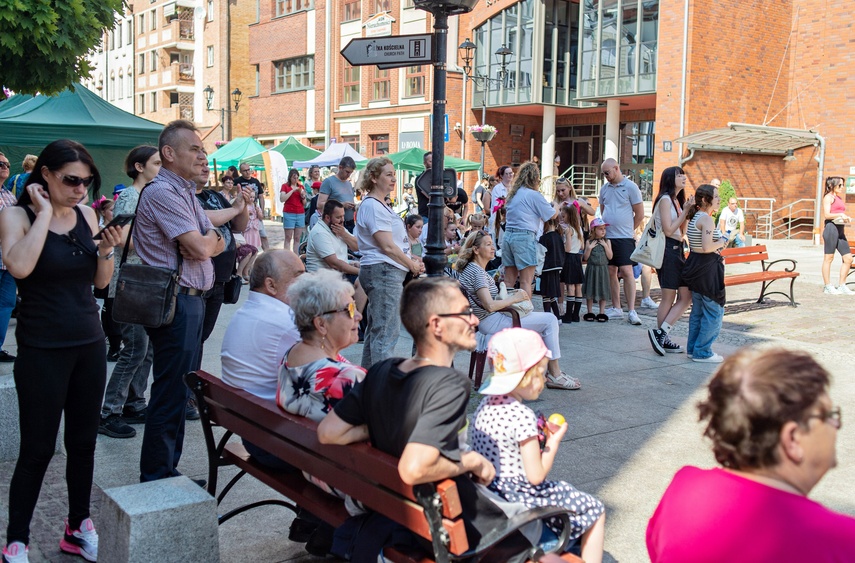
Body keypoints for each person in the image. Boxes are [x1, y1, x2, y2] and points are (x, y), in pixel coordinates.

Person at [319, 278, 540, 560]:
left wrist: (390, 426)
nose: (474, 319)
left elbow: (329, 432)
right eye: (464, 312)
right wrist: (471, 461)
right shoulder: (448, 383)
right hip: (440, 526)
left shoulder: (381, 370)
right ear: (437, 325)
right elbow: (414, 467)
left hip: (393, 511)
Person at [0, 140, 123, 562]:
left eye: (87, 182)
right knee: (37, 449)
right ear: (45, 175)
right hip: (42, 348)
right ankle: (17, 540)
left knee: (84, 443)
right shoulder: (16, 216)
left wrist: (106, 249)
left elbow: (101, 284)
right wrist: (45, 215)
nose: (80, 190)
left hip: (88, 343)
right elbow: (19, 267)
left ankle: (78, 525)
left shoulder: (87, 214)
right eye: (71, 180)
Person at [647, 347, 855, 562]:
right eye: (830, 415)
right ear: (792, 438)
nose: (836, 425)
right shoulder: (840, 540)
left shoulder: (684, 487)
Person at [133, 120, 225, 483]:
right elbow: (204, 247)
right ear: (169, 154)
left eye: (203, 150)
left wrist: (213, 236)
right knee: (172, 389)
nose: (202, 155)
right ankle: (157, 474)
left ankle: (167, 467)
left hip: (192, 300)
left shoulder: (184, 191)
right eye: (195, 149)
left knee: (181, 387)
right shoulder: (163, 193)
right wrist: (216, 237)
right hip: (177, 302)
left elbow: (212, 238)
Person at [472, 328, 606, 563]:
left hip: (490, 497)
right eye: (542, 373)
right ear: (525, 376)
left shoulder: (483, 407)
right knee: (594, 509)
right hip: (520, 501)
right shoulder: (522, 416)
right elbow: (535, 476)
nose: (545, 380)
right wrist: (552, 443)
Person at [456, 230, 580, 390]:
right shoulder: (477, 272)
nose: (493, 248)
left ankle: (550, 373)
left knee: (544, 323)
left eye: (492, 244)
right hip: (491, 320)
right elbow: (490, 305)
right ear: (476, 250)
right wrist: (516, 298)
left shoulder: (473, 269)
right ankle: (554, 374)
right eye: (488, 245)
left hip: (488, 320)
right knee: (550, 321)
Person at [98, 146, 161, 439]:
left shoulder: (149, 194)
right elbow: (121, 239)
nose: (161, 167)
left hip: (146, 280)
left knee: (146, 348)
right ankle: (108, 411)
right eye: (156, 162)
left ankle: (135, 403)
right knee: (135, 348)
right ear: (139, 166)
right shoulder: (129, 196)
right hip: (130, 281)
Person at [355, 157, 421, 368]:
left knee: (378, 330)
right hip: (383, 271)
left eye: (394, 174)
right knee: (386, 332)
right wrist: (411, 264)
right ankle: (380, 387)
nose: (394, 179)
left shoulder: (379, 204)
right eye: (388, 174)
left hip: (384, 271)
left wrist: (410, 259)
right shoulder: (373, 205)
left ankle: (368, 381)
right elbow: (386, 246)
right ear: (373, 178)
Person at [194, 160, 250, 355]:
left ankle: (193, 378)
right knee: (191, 338)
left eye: (206, 163)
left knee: (201, 337)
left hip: (220, 279)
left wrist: (242, 206)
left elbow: (238, 226)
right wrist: (234, 208)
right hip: (197, 281)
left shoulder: (214, 196)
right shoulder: (184, 199)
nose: (205, 168)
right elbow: (204, 216)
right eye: (198, 163)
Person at [648, 167, 695, 356]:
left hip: (677, 249)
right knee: (668, 296)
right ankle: (662, 338)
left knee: (686, 296)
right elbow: (668, 230)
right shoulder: (665, 200)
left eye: (683, 174)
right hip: (667, 250)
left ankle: (661, 333)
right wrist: (684, 213)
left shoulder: (676, 201)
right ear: (669, 179)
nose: (683, 177)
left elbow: (680, 233)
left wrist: (686, 212)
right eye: (678, 174)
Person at [682, 184, 727, 363]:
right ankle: (702, 351)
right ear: (705, 199)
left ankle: (693, 349)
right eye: (716, 196)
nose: (719, 199)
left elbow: (698, 246)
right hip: (707, 269)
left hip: (696, 266)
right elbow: (708, 247)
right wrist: (723, 241)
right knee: (714, 310)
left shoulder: (695, 217)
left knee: (699, 311)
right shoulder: (707, 219)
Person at [502, 161, 559, 298]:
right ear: (534, 178)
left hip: (508, 235)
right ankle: (525, 312)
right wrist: (556, 205)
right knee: (526, 281)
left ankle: (508, 311)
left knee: (509, 281)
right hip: (524, 236)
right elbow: (551, 215)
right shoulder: (533, 195)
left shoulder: (513, 194)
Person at [599, 158, 644, 325]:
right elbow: (604, 210)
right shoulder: (604, 189)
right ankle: (617, 308)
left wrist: (629, 230)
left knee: (627, 271)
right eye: (604, 174)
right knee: (611, 271)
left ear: (616, 168)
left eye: (607, 173)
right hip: (609, 236)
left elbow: (639, 213)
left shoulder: (631, 187)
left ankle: (632, 310)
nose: (606, 177)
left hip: (624, 237)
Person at [306, 199, 367, 313]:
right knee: (365, 280)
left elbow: (357, 247)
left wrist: (344, 234)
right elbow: (335, 264)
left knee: (372, 280)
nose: (342, 220)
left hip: (339, 274)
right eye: (338, 217)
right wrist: (361, 271)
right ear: (327, 218)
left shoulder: (338, 228)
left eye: (343, 216)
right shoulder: (320, 233)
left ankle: (359, 321)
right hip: (324, 279)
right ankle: (354, 319)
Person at [819, 176, 853, 295]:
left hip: (840, 230)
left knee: (848, 258)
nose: (842, 187)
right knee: (829, 258)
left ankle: (842, 285)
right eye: (840, 185)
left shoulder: (838, 197)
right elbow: (827, 215)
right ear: (832, 185)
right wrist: (841, 214)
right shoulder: (828, 197)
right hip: (831, 229)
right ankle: (827, 286)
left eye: (843, 185)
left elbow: (838, 214)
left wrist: (845, 217)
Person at [0, 153, 19, 362]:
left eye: (6, 163)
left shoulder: (9, 195)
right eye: (0, 164)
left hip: (8, 261)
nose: (5, 167)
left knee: (6, 305)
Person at [582, 218, 612, 322]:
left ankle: (601, 312)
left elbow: (610, 256)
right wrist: (589, 248)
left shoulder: (607, 241)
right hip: (592, 269)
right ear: (594, 230)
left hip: (603, 269)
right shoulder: (588, 242)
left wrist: (605, 246)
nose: (603, 231)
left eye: (604, 229)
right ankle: (589, 311)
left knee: (603, 289)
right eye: (600, 229)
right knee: (590, 289)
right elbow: (585, 258)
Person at [235, 163, 269, 250]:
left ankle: (268, 254)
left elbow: (261, 196)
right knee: (246, 235)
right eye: (245, 170)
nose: (247, 172)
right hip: (244, 210)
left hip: (255, 209)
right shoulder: (237, 181)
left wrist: (261, 209)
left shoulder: (256, 181)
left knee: (263, 235)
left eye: (248, 169)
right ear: (241, 172)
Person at [559, 205, 584, 323]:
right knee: (578, 286)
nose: (562, 218)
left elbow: (567, 248)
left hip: (569, 258)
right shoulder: (579, 229)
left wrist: (561, 246)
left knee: (570, 287)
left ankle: (568, 315)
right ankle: (576, 315)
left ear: (569, 215)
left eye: (563, 216)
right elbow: (582, 246)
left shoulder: (568, 229)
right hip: (577, 258)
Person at [317, 157, 357, 232]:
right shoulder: (329, 182)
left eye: (351, 173)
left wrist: (354, 206)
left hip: (350, 223)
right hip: (336, 225)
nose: (349, 175)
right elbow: (320, 204)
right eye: (347, 172)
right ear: (340, 167)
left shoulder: (348, 183)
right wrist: (341, 205)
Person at [538, 218, 564, 319]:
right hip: (557, 268)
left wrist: (537, 271)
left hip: (546, 269)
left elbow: (540, 255)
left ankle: (548, 319)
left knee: (545, 295)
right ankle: (557, 317)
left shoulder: (544, 238)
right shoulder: (559, 237)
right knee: (552, 295)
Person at [280, 168, 308, 253]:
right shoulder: (285, 186)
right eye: (293, 178)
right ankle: (287, 255)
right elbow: (282, 198)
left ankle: (296, 255)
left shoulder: (301, 187)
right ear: (290, 178)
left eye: (297, 178)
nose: (295, 180)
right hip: (289, 213)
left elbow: (304, 203)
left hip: (300, 213)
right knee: (288, 237)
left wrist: (302, 195)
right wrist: (292, 190)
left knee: (297, 238)